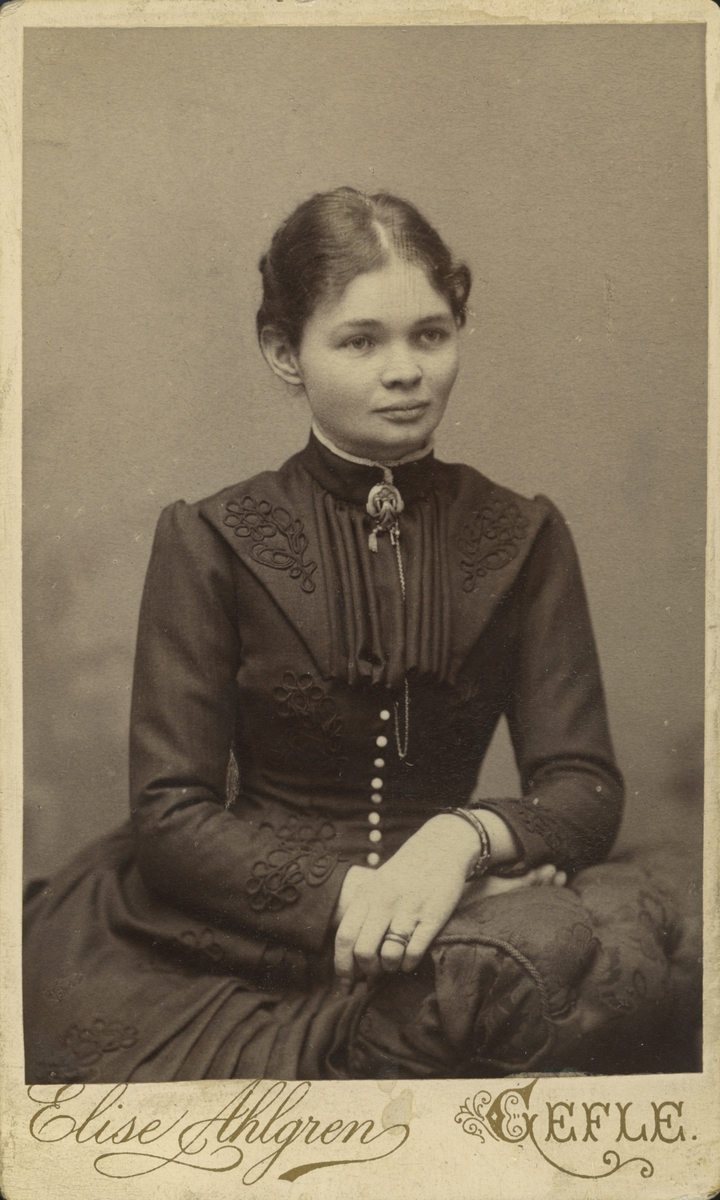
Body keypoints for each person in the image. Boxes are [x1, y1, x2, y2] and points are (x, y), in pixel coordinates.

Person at [24, 187, 631, 1084]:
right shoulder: (212, 537)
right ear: (285, 352)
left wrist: (459, 841)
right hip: (232, 928)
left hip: (454, 904)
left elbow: (584, 785)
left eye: (431, 334)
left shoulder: (524, 535)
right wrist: (360, 897)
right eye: (360, 341)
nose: (406, 370)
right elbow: (171, 814)